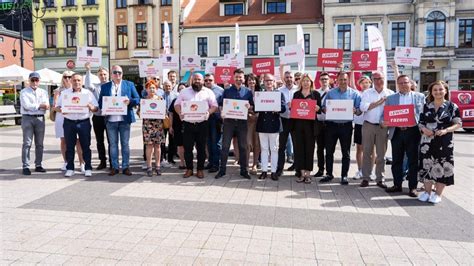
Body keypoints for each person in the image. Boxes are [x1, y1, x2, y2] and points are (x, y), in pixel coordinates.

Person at [417, 81, 461, 204]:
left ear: (445, 91)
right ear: (431, 92)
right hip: (427, 141)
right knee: (426, 164)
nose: (438, 92)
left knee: (443, 165)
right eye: (435, 90)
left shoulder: (452, 106)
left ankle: (438, 194)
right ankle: (427, 192)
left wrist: (446, 130)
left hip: (444, 141)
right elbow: (420, 122)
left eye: (441, 89)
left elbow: (458, 123)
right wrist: (424, 129)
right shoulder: (425, 106)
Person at [384, 75, 425, 197]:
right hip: (397, 132)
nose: (403, 85)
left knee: (413, 160)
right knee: (397, 160)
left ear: (410, 84)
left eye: (405, 82)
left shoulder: (420, 96)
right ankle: (397, 185)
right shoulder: (391, 98)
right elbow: (386, 114)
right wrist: (384, 121)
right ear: (397, 85)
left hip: (413, 132)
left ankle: (413, 187)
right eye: (400, 83)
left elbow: (423, 114)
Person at [320, 72, 361, 185]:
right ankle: (329, 174)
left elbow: (359, 111)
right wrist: (325, 110)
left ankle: (344, 175)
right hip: (331, 126)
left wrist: (355, 111)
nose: (343, 82)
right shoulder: (330, 93)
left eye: (345, 79)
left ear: (348, 80)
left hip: (346, 126)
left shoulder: (354, 94)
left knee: (346, 153)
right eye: (341, 80)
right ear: (337, 80)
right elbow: (323, 107)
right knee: (329, 151)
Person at [174, 73, 218, 179]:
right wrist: (180, 113)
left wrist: (209, 112)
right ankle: (189, 169)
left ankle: (200, 170)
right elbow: (177, 104)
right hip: (188, 124)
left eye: (199, 79)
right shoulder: (184, 92)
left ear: (202, 81)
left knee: (201, 149)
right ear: (191, 80)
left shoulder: (208, 92)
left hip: (202, 124)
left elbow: (215, 106)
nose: (197, 81)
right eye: (195, 79)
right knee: (188, 148)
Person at [99, 65, 140, 176]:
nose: (118, 74)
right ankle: (115, 167)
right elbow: (100, 102)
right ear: (111, 74)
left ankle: (126, 167)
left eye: (120, 72)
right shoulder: (105, 87)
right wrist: (104, 108)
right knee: (113, 144)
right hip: (111, 120)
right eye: (115, 72)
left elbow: (137, 99)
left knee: (125, 144)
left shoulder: (129, 84)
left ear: (122, 74)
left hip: (124, 120)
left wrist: (129, 101)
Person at [56, 74, 98, 177]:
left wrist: (90, 106)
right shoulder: (65, 93)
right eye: (74, 80)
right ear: (71, 81)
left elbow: (96, 108)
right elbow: (57, 107)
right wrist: (61, 110)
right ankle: (70, 168)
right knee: (69, 146)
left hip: (84, 122)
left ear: (82, 81)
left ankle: (88, 167)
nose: (77, 82)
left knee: (86, 146)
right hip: (69, 122)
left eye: (79, 80)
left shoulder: (87, 93)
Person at [215, 68, 254, 180]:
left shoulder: (247, 91)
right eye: (236, 77)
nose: (238, 79)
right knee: (225, 146)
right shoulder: (227, 91)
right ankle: (222, 170)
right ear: (233, 78)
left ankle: (244, 170)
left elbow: (252, 106)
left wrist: (249, 107)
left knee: (243, 147)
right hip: (229, 122)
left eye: (240, 77)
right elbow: (221, 104)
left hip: (242, 123)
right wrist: (222, 112)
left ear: (243, 78)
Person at [359, 72, 394, 188]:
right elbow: (363, 107)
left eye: (381, 79)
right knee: (367, 153)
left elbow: (393, 111)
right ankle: (365, 178)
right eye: (376, 79)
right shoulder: (367, 92)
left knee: (381, 154)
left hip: (382, 127)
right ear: (372, 80)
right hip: (368, 125)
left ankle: (380, 179)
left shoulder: (390, 93)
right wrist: (379, 102)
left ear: (385, 79)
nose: (378, 81)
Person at [291, 74, 321, 183]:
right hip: (298, 126)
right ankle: (302, 174)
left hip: (311, 126)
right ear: (300, 82)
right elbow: (293, 110)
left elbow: (320, 109)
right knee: (299, 150)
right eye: (304, 81)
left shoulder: (316, 94)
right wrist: (291, 106)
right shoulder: (296, 94)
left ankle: (308, 174)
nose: (306, 83)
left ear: (311, 82)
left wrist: (318, 108)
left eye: (308, 81)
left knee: (309, 149)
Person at [256, 74, 286, 180]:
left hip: (274, 124)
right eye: (266, 80)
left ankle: (273, 171)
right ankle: (264, 170)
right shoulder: (259, 94)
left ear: (274, 82)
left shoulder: (279, 94)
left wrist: (277, 108)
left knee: (274, 149)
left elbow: (283, 108)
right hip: (262, 124)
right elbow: (256, 108)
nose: (269, 82)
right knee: (264, 149)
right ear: (263, 82)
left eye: (271, 80)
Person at [53, 71, 85, 172]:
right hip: (62, 117)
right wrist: (63, 109)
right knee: (64, 141)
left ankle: (82, 163)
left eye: (69, 77)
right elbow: (55, 107)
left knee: (79, 141)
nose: (67, 78)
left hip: (76, 117)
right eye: (65, 77)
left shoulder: (80, 90)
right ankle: (66, 162)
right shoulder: (59, 91)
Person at [20, 72, 49, 175]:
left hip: (40, 119)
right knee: (27, 143)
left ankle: (38, 165)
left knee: (40, 144)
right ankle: (25, 166)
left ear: (39, 81)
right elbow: (27, 106)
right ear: (29, 81)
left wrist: (38, 106)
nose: (34, 82)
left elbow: (47, 105)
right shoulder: (24, 92)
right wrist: (40, 105)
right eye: (32, 80)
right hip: (27, 118)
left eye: (36, 80)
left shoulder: (44, 92)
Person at [84, 62, 110, 170]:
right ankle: (102, 161)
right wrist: (88, 70)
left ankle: (113, 162)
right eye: (101, 75)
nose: (103, 76)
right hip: (98, 117)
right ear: (98, 76)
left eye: (104, 74)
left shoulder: (112, 86)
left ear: (108, 75)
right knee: (100, 141)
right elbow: (87, 85)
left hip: (110, 117)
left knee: (111, 140)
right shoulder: (96, 87)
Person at [140, 80, 165, 177]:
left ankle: (158, 166)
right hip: (147, 126)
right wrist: (142, 112)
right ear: (146, 89)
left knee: (158, 146)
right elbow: (139, 112)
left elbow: (165, 112)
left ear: (157, 89)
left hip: (158, 126)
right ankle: (149, 166)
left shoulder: (160, 99)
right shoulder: (144, 100)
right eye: (150, 87)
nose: (152, 89)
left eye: (153, 87)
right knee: (149, 146)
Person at [276, 71, 297, 177]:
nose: (289, 79)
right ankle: (280, 168)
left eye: (290, 77)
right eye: (287, 77)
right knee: (282, 146)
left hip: (295, 120)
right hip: (283, 120)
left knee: (297, 145)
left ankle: (297, 166)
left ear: (294, 78)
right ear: (284, 79)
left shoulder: (299, 89)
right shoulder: (279, 91)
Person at [204, 74, 224, 173]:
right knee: (208, 142)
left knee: (216, 143)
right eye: (206, 80)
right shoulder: (202, 90)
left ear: (214, 80)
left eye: (210, 80)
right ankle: (211, 162)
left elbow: (224, 104)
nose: (208, 82)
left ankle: (216, 164)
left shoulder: (220, 90)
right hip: (204, 119)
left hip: (216, 119)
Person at [313, 72, 331, 177]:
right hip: (318, 123)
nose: (324, 81)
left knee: (329, 148)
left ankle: (329, 170)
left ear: (329, 81)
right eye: (322, 79)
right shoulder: (315, 93)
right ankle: (320, 169)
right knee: (319, 148)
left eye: (326, 79)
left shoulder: (333, 92)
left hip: (330, 123)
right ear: (319, 81)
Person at [245, 73, 261, 175]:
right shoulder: (243, 92)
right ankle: (246, 165)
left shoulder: (261, 92)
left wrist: (256, 113)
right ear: (246, 82)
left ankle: (254, 164)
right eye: (250, 80)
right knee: (247, 143)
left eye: (254, 80)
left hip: (258, 120)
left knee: (257, 143)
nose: (252, 82)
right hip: (246, 120)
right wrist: (247, 112)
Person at [169, 83, 187, 170]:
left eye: (183, 89)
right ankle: (182, 162)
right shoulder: (175, 101)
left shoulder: (190, 100)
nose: (181, 91)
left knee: (188, 145)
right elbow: (171, 114)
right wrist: (171, 126)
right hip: (177, 126)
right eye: (180, 89)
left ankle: (188, 162)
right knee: (180, 145)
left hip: (188, 125)